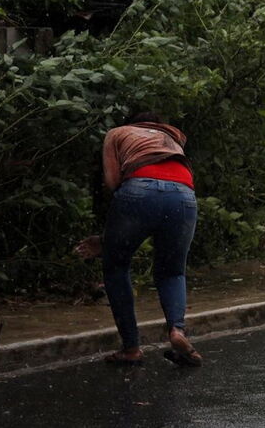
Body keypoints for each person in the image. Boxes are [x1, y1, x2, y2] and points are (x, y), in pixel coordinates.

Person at [74, 112, 202, 367]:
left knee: (116, 266)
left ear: (131, 123)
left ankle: (131, 348)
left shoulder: (118, 133)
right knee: (172, 272)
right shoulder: (171, 137)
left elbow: (113, 182)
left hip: (138, 189)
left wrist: (110, 239)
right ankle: (177, 331)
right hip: (184, 194)